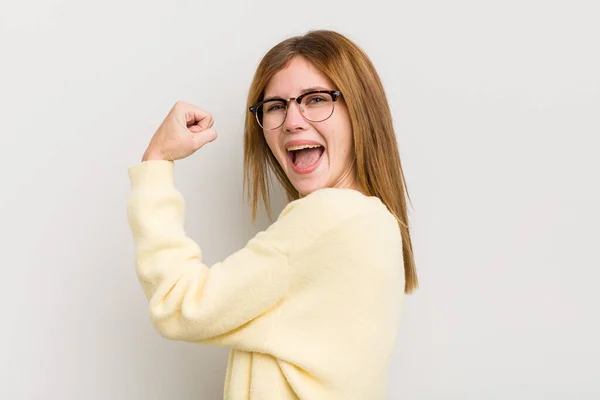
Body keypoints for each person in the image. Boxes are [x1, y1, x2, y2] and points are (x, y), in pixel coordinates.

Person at [126, 29, 418, 400]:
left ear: (360, 109)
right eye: (276, 106)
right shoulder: (376, 222)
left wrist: (156, 162)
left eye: (315, 99)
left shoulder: (330, 216)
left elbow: (179, 305)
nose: (292, 120)